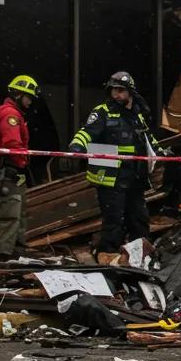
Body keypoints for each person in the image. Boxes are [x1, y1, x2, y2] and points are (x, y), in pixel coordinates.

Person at [69, 71, 156, 256]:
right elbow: (87, 132)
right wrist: (77, 145)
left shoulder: (138, 116)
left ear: (130, 92)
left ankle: (141, 257)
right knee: (114, 221)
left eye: (120, 90)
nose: (116, 95)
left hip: (135, 178)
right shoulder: (102, 112)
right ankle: (108, 257)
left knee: (139, 219)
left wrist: (161, 152)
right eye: (113, 90)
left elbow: (148, 140)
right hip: (110, 178)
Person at [0, 74, 38, 253]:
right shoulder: (11, 115)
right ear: (19, 94)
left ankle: (15, 255)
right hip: (8, 174)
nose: (30, 102)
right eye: (29, 97)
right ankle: (2, 258)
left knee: (14, 216)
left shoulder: (0, 111)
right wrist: (22, 163)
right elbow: (12, 144)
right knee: (9, 218)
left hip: (0, 172)